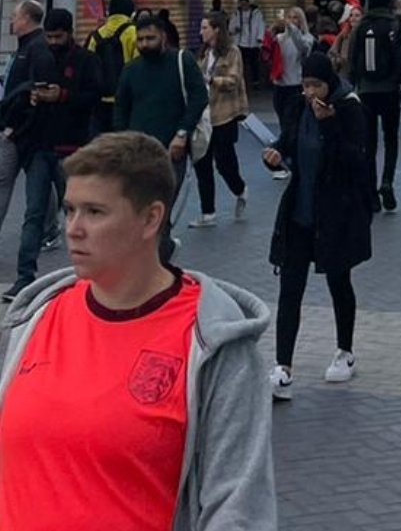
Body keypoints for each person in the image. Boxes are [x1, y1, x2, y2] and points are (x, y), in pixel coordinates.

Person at [0, 131, 277, 529]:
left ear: (151, 218)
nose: (73, 229)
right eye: (69, 210)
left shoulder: (214, 344)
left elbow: (239, 507)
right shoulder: (34, 318)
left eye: (95, 212)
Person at [262, 53, 375, 401]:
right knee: (290, 287)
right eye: (306, 84)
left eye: (317, 85)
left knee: (339, 281)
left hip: (337, 213)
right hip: (301, 211)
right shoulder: (298, 107)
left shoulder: (349, 107)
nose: (310, 92)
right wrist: (274, 155)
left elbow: (357, 159)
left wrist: (329, 124)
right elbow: (288, 141)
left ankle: (345, 350)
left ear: (330, 82)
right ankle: (283, 367)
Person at [4, 9, 101, 301]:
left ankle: (92, 277)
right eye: (49, 36)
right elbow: (23, 90)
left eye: (58, 36)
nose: (53, 41)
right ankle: (24, 278)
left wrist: (62, 95)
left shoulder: (85, 61)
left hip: (72, 149)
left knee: (81, 215)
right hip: (39, 146)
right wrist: (33, 96)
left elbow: (95, 96)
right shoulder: (41, 56)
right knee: (34, 213)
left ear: (69, 33)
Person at [113, 14, 208, 257]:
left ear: (163, 37)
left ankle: (158, 264)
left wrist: (182, 133)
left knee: (160, 211)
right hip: (137, 153)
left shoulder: (181, 61)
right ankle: (158, 257)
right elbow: (121, 109)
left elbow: (199, 97)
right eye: (141, 39)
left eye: (150, 38)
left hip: (170, 151)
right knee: (139, 210)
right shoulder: (131, 70)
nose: (144, 44)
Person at [350, 0, 401, 214]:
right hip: (389, 89)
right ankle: (387, 181)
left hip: (366, 90)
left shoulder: (361, 26)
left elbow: (352, 57)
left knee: (368, 143)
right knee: (391, 139)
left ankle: (370, 193)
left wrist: (355, 84)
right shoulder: (396, 26)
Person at [189, 11, 249, 228]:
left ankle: (240, 189)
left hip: (224, 114)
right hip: (204, 115)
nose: (201, 32)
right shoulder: (203, 53)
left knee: (225, 164)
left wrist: (211, 79)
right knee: (202, 162)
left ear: (216, 29)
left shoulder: (232, 52)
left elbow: (233, 80)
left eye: (205, 27)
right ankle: (208, 212)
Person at [0, 0, 51, 241]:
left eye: (15, 16)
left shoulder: (36, 48)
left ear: (27, 19)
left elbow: (33, 93)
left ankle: (49, 229)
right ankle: (50, 228)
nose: (12, 20)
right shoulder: (26, 47)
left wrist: (13, 128)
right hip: (20, 130)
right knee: (39, 185)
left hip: (19, 131)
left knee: (3, 181)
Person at [85, 0, 138, 137]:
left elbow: (89, 66)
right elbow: (139, 66)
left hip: (99, 102)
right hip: (125, 100)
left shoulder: (96, 35)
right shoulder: (133, 32)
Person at [270, 7, 314, 170]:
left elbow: (303, 48)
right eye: (289, 17)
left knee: (291, 125)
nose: (291, 20)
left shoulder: (306, 38)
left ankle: (288, 156)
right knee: (284, 123)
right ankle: (288, 153)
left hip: (295, 87)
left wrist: (292, 28)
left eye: (295, 18)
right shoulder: (280, 38)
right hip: (280, 86)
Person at [229, 0, 267, 92]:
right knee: (241, 63)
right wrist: (234, 29)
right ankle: (242, 81)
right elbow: (231, 27)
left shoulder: (256, 13)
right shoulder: (237, 13)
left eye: (245, 4)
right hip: (240, 42)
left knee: (254, 63)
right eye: (241, 4)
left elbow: (260, 25)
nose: (243, 6)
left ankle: (255, 82)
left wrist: (259, 38)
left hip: (253, 43)